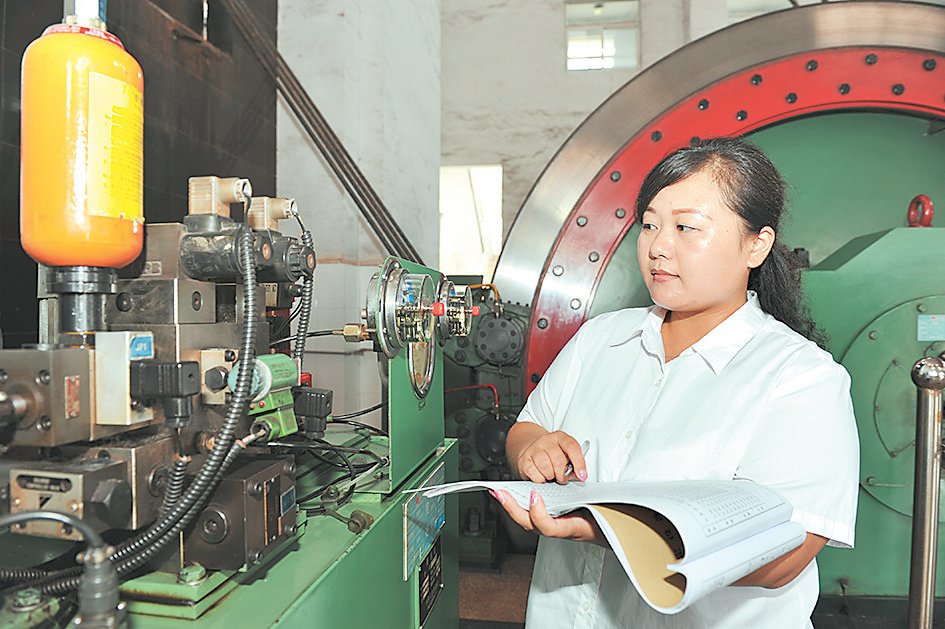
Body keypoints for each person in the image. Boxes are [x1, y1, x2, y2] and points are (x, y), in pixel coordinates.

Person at [494, 137, 859, 628]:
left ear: (756, 244)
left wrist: (606, 530)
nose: (658, 247)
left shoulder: (801, 377)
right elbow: (529, 428)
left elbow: (783, 560)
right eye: (650, 225)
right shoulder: (600, 339)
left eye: (686, 227)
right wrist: (533, 449)